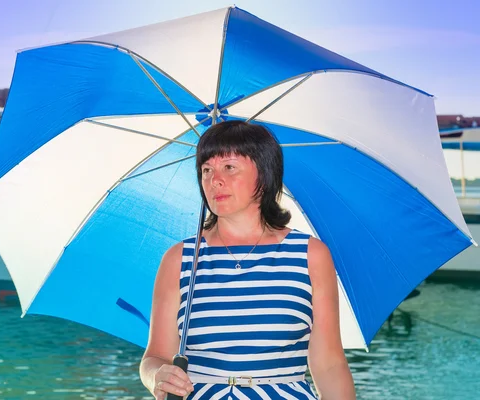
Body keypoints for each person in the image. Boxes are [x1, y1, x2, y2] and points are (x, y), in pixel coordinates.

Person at [140, 120, 355, 399]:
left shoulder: (310, 255)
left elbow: (329, 364)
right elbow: (154, 357)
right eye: (206, 170)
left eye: (229, 167)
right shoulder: (179, 259)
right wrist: (157, 376)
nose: (214, 179)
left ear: (264, 176)